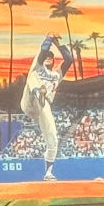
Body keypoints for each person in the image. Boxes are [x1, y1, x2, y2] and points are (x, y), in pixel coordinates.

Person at [20, 35, 72, 175]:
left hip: (43, 106)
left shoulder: (57, 74)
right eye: (47, 56)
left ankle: (48, 172)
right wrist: (49, 39)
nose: (49, 57)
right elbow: (43, 51)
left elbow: (69, 59)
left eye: (51, 56)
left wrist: (58, 43)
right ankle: (38, 93)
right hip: (29, 101)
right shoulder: (38, 67)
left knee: (53, 138)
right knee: (33, 75)